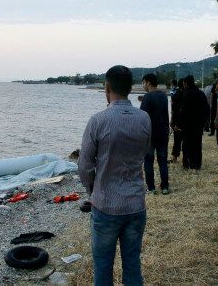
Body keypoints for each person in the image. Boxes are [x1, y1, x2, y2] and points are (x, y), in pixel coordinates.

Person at [78, 65, 151, 286]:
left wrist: (92, 190)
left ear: (107, 87)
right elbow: (146, 151)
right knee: (132, 263)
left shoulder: (98, 120)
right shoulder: (144, 118)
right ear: (130, 88)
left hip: (106, 205)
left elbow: (84, 165)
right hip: (136, 204)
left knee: (102, 266)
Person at [140, 73, 170, 195]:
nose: (143, 86)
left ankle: (151, 188)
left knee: (148, 160)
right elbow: (166, 115)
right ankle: (165, 187)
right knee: (162, 160)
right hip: (163, 132)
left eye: (143, 83)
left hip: (150, 134)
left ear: (148, 82)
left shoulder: (147, 97)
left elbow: (142, 117)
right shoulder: (163, 96)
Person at [178, 75, 210, 170]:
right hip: (199, 124)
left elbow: (183, 111)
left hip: (188, 125)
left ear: (186, 83)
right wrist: (204, 122)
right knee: (197, 144)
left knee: (187, 144)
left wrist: (179, 124)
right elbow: (207, 109)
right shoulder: (201, 94)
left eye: (184, 84)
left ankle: (187, 164)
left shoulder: (187, 94)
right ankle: (197, 164)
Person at [169, 78, 184, 163]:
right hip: (186, 121)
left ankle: (174, 158)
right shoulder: (186, 94)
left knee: (177, 140)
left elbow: (174, 110)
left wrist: (172, 121)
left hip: (178, 120)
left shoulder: (176, 94)